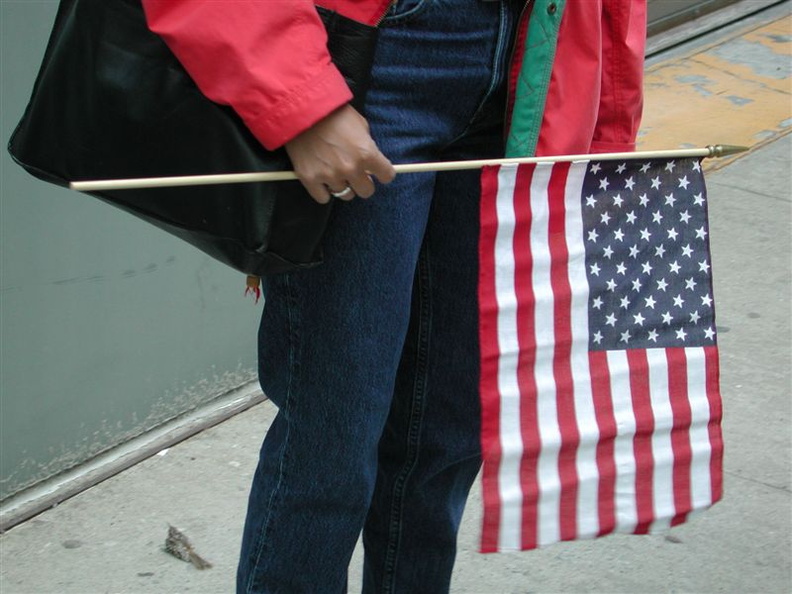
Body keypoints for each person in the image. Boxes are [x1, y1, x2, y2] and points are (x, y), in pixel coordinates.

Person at [141, 1, 646, 592]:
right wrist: (297, 96)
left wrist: (606, 125)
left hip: (537, 60)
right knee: (334, 430)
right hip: (379, 55)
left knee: (448, 434)